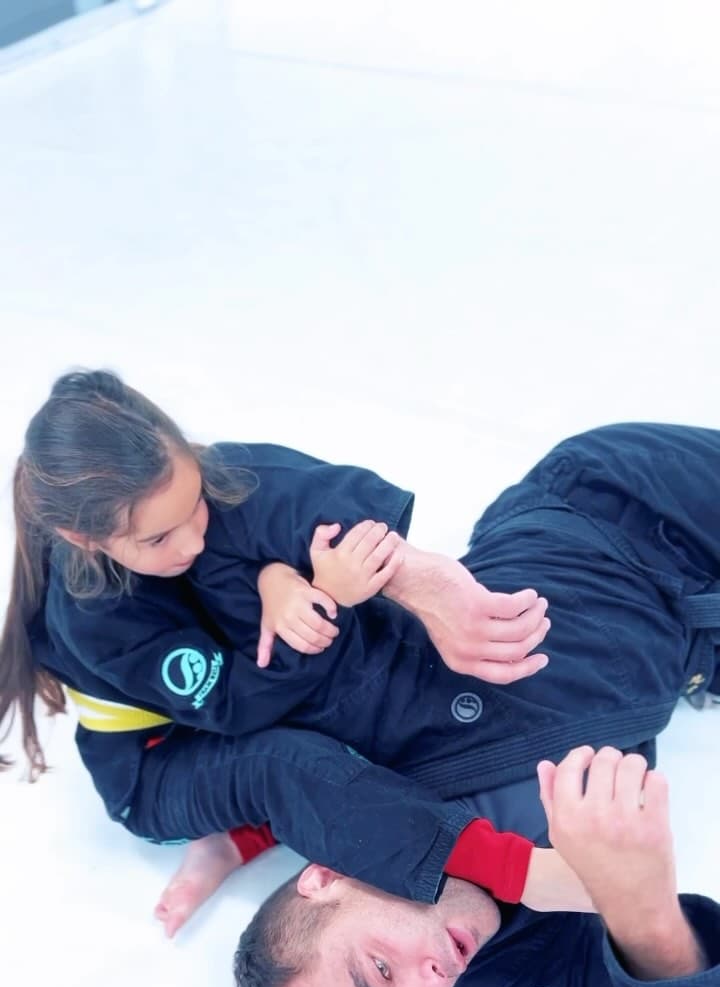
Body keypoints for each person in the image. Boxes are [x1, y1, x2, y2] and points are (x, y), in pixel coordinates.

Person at [0, 370, 568, 940]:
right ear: (83, 538)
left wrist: (317, 575)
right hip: (161, 762)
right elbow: (238, 706)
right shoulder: (93, 617)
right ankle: (522, 872)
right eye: (158, 539)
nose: (191, 540)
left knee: (251, 528)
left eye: (193, 504)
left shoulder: (192, 485)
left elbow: (292, 500)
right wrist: (325, 598)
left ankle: (244, 835)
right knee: (285, 764)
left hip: (231, 687)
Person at [234, 746, 720, 987]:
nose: (434, 983)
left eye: (381, 970)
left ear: (325, 879)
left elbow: (252, 760)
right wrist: (642, 912)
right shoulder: (509, 965)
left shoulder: (374, 770)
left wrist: (232, 843)